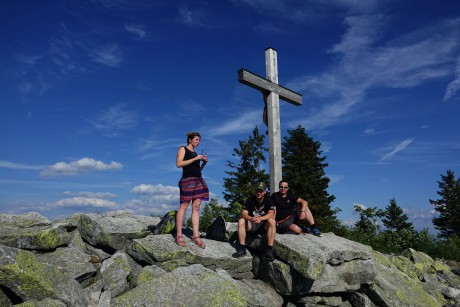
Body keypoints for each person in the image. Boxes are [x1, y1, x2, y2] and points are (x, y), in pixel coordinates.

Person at [175, 132, 209, 249]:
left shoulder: (195, 153)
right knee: (184, 205)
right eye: (196, 139)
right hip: (187, 180)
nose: (198, 142)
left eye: (199, 140)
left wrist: (203, 163)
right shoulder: (182, 149)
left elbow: (197, 169)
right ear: (190, 140)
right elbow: (179, 164)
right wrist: (195, 158)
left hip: (198, 180)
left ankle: (196, 236)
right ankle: (179, 235)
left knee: (196, 207)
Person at [232, 182, 277, 262]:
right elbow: (243, 213)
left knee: (272, 221)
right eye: (257, 191)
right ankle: (242, 249)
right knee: (241, 220)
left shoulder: (269, 200)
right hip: (252, 225)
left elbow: (271, 214)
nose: (259, 193)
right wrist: (251, 218)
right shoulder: (250, 200)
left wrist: (261, 218)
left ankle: (269, 250)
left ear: (264, 192)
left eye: (261, 191)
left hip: (263, 226)